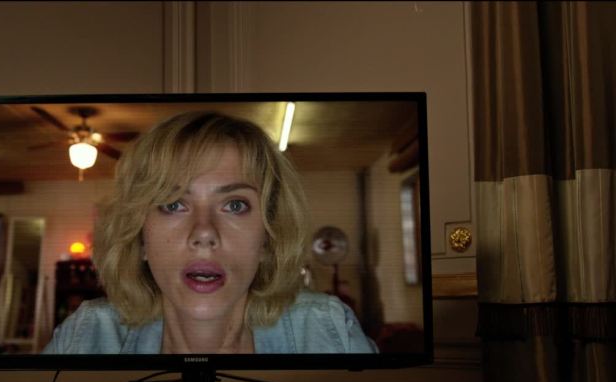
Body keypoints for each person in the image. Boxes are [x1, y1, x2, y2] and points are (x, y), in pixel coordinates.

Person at [42, 111, 378, 354]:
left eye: (234, 205)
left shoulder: (328, 332)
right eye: (173, 203)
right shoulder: (86, 337)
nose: (204, 233)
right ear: (139, 236)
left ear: (268, 235)